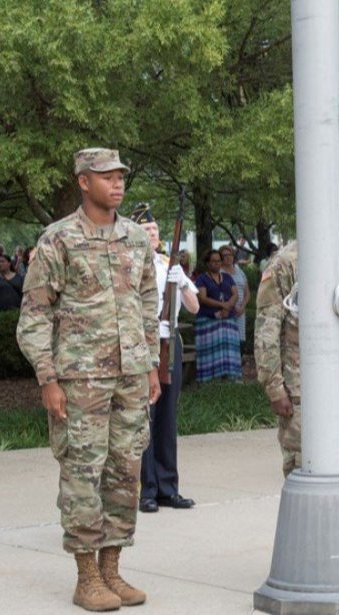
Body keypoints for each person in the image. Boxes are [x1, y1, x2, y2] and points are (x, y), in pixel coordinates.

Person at [17, 148, 159, 611]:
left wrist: (152, 363)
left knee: (125, 471)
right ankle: (86, 576)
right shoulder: (57, 240)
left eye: (120, 177)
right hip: (81, 379)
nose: (117, 184)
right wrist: (47, 379)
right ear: (83, 181)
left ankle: (112, 569)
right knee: (82, 471)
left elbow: (147, 304)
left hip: (131, 376)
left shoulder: (137, 240)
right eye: (106, 177)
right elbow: (35, 316)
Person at [254, 238, 339, 477]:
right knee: (303, 466)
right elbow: (266, 332)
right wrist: (275, 388)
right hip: (299, 387)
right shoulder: (285, 263)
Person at [129, 204, 201, 514]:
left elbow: (195, 307)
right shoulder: (130, 265)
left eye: (155, 231)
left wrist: (182, 281)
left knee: (167, 420)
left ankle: (168, 488)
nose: (153, 235)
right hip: (145, 343)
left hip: (169, 342)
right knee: (147, 418)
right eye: (146, 231)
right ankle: (147, 489)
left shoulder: (166, 264)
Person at [194, 249, 242, 382]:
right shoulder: (202, 279)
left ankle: (229, 378)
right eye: (213, 261)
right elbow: (202, 298)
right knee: (212, 351)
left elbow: (235, 294)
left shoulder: (227, 277)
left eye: (218, 261)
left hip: (228, 318)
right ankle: (211, 380)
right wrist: (222, 305)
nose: (216, 264)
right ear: (207, 263)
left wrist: (228, 306)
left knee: (229, 348)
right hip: (208, 319)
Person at [219, 244, 250, 349]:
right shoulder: (219, 273)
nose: (228, 257)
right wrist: (232, 306)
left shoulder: (239, 270)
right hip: (227, 311)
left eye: (230, 254)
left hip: (240, 312)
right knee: (229, 342)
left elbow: (247, 292)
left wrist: (243, 307)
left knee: (240, 343)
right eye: (224, 255)